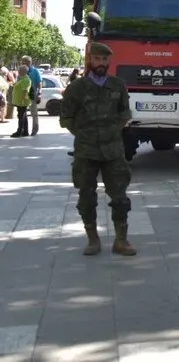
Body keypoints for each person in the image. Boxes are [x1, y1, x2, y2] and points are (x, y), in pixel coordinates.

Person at [60, 43, 136, 257]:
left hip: (113, 151)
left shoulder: (117, 85)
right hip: (86, 151)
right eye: (97, 59)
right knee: (86, 196)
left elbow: (124, 114)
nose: (101, 63)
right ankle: (92, 239)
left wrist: (111, 132)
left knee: (120, 196)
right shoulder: (77, 88)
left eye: (104, 59)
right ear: (90, 61)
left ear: (109, 61)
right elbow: (66, 118)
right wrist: (85, 134)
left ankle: (121, 240)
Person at [21, 56, 41, 135]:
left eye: (24, 62)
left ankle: (34, 130)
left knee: (34, 113)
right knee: (22, 113)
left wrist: (39, 93)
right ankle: (24, 130)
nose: (23, 63)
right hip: (23, 94)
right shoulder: (22, 71)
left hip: (32, 94)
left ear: (29, 62)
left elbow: (39, 82)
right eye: (23, 62)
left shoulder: (35, 71)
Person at [10, 66, 31, 137]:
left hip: (22, 101)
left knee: (21, 116)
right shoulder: (22, 79)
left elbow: (25, 91)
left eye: (19, 70)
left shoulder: (26, 79)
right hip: (19, 101)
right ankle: (25, 131)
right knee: (23, 116)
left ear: (23, 71)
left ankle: (19, 132)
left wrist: (22, 100)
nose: (18, 71)